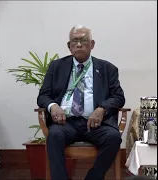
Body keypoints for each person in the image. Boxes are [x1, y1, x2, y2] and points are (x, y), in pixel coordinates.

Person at [37, 25, 125, 180]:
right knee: (54, 136)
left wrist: (102, 108)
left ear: (92, 44)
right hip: (66, 123)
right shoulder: (56, 67)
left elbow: (118, 97)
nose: (79, 44)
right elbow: (43, 96)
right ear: (69, 46)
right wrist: (53, 106)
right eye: (74, 41)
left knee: (113, 137)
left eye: (83, 40)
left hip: (96, 124)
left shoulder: (107, 68)